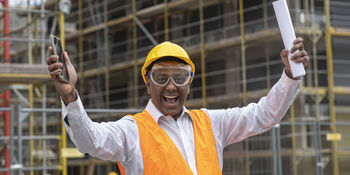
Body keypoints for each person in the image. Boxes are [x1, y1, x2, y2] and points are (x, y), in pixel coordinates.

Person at [47, 39, 309, 175]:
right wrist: (70, 97)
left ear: (189, 83)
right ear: (148, 85)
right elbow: (89, 141)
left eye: (179, 77)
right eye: (161, 78)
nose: (171, 86)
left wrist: (290, 74)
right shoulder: (132, 131)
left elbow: (265, 115)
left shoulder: (210, 123)